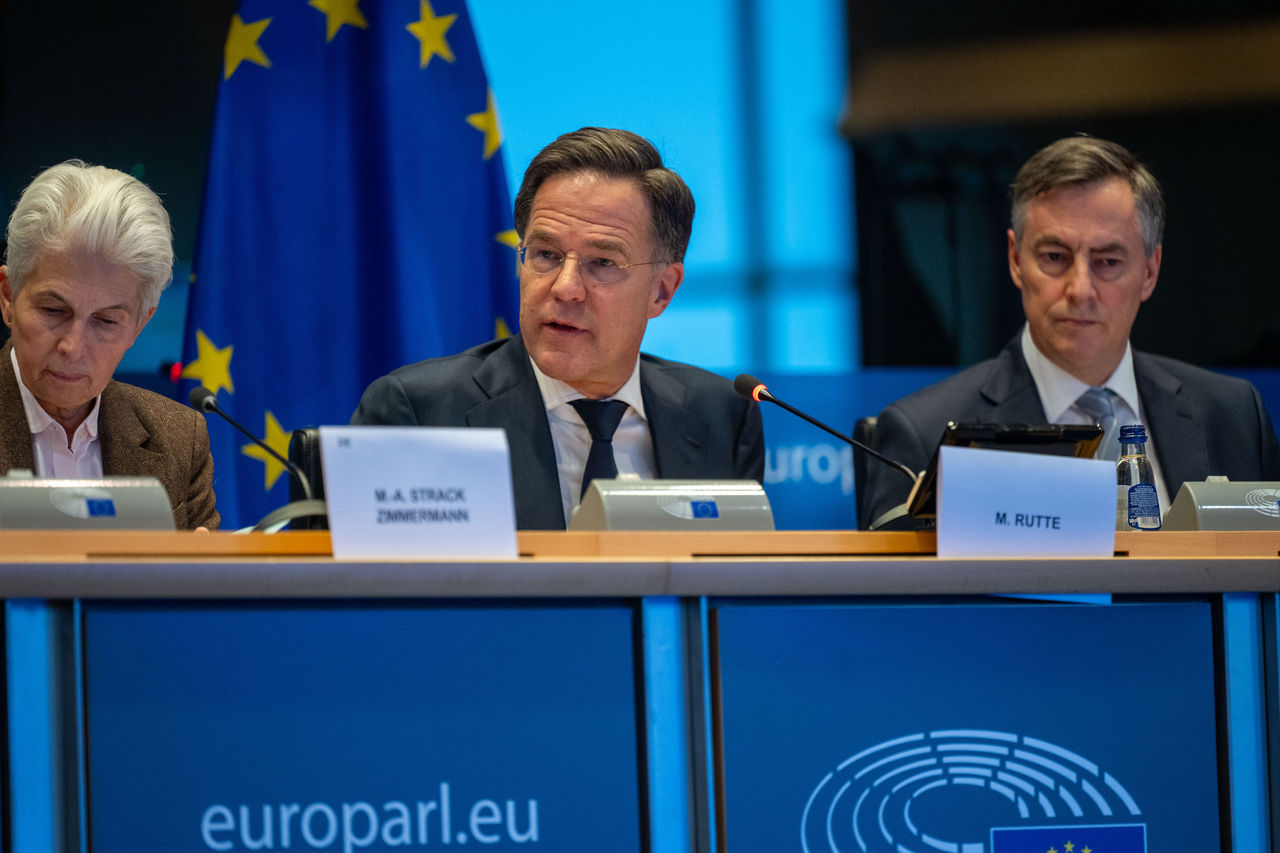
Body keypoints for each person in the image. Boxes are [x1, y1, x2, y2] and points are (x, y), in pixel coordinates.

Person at [860, 135, 1280, 529]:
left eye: (1108, 262)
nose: (1080, 289)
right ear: (1015, 259)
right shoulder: (924, 436)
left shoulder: (1232, 416)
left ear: (1150, 271)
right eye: (1055, 257)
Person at [352, 127, 764, 529]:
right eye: (546, 254)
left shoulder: (721, 416)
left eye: (603, 262)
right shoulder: (421, 413)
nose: (565, 288)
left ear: (661, 290)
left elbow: (730, 589)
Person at [0, 161, 219, 530]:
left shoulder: (180, 440)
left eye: (105, 321)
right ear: (8, 296)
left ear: (139, 324)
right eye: (54, 310)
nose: (73, 346)